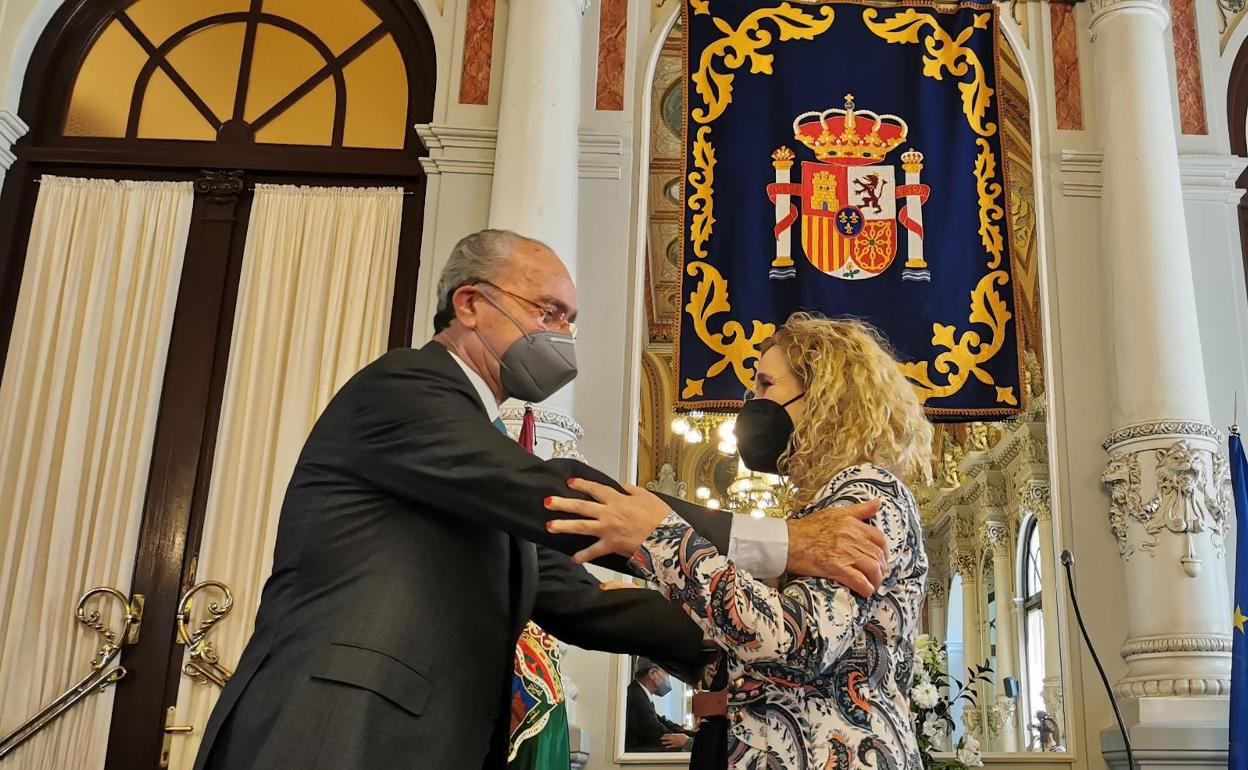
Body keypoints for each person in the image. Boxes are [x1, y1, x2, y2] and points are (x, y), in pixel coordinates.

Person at [193, 231, 890, 770]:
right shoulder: (405, 389)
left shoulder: (481, 453)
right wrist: (779, 541)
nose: (561, 335)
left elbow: (577, 600)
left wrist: (734, 643)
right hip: (335, 727)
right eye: (546, 310)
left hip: (430, 738)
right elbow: (555, 493)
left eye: (571, 320)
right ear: (470, 303)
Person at [547, 312, 933, 769]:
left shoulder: (866, 492)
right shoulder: (826, 503)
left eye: (767, 387)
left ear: (827, 397)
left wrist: (662, 537)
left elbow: (796, 644)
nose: (754, 403)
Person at [626, 658, 695, 752]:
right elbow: (663, 737)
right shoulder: (636, 698)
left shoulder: (640, 695)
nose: (668, 677)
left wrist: (691, 735)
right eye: (666, 672)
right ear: (652, 673)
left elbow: (663, 722)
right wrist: (687, 742)